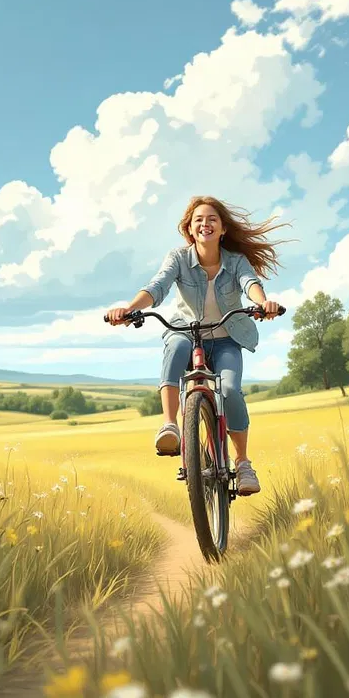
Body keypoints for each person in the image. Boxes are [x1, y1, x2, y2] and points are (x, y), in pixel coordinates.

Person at [106, 196, 287, 496]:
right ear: (190, 229)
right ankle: (169, 426)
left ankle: (242, 462)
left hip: (228, 338)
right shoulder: (178, 258)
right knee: (175, 349)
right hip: (186, 332)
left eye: (212, 219)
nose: (205, 224)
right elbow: (157, 287)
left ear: (223, 228)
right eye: (198, 220)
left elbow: (250, 284)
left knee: (229, 391)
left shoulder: (236, 261)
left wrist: (262, 303)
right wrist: (129, 309)